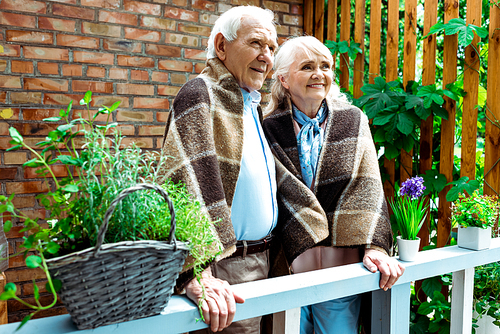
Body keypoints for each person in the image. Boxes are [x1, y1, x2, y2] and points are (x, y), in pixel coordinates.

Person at [262, 36, 405, 334]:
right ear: (284, 79)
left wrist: (375, 245)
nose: (319, 74)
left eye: (325, 66)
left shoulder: (352, 119)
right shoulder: (268, 126)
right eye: (307, 66)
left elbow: (369, 186)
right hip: (289, 268)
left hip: (342, 270)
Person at [159, 5, 284, 334]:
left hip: (263, 261)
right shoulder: (200, 93)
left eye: (272, 48)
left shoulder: (250, 101)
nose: (266, 56)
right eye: (257, 43)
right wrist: (197, 270)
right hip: (225, 271)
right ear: (222, 46)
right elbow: (182, 185)